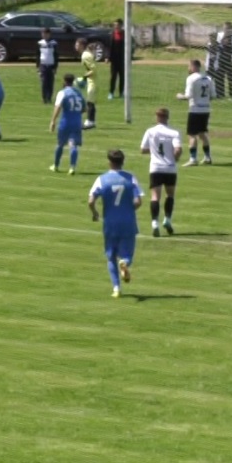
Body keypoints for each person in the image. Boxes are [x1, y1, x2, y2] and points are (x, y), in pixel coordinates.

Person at [87, 149, 143, 298]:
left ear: (109, 162)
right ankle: (124, 262)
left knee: (111, 256)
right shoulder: (131, 178)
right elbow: (138, 201)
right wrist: (128, 210)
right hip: (128, 221)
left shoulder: (101, 179)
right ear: (122, 162)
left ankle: (116, 288)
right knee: (128, 254)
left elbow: (91, 201)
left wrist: (95, 213)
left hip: (110, 223)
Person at [140, 106, 183, 237]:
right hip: (170, 168)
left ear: (157, 117)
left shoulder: (150, 131)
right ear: (167, 117)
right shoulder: (174, 133)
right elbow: (178, 149)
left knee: (155, 197)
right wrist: (175, 157)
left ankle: (154, 223)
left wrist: (154, 151)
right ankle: (167, 219)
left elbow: (143, 149)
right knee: (170, 195)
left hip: (156, 167)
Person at [178, 58, 215, 166]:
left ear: (194, 67)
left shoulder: (191, 78)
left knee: (192, 135)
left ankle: (193, 159)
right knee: (202, 133)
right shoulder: (208, 78)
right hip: (206, 110)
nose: (188, 68)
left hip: (195, 110)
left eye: (189, 66)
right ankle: (207, 157)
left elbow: (188, 96)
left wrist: (180, 96)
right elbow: (213, 95)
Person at [49, 73, 85, 174]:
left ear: (64, 81)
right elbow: (84, 108)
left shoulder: (63, 93)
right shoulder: (78, 93)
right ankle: (72, 167)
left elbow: (58, 107)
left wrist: (53, 121)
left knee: (60, 144)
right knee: (73, 145)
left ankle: (56, 165)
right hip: (77, 122)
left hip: (66, 121)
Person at [76, 38, 98, 129]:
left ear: (81, 45)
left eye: (77, 44)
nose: (76, 46)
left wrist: (84, 77)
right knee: (90, 101)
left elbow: (93, 70)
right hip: (91, 80)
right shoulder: (85, 55)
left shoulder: (85, 56)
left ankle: (90, 121)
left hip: (92, 81)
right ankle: (91, 121)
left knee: (90, 102)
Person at [217, 22, 232, 99]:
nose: (226, 29)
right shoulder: (219, 35)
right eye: (224, 28)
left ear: (230, 29)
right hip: (221, 59)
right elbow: (217, 48)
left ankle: (231, 95)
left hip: (229, 60)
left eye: (227, 28)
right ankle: (221, 94)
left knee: (230, 78)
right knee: (220, 77)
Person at [37, 27, 58, 104]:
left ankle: (49, 97)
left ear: (49, 34)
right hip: (43, 65)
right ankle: (44, 98)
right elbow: (37, 55)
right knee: (44, 82)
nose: (44, 35)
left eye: (46, 34)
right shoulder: (40, 43)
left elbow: (56, 56)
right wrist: (38, 67)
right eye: (43, 34)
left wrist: (55, 67)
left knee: (50, 83)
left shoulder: (54, 43)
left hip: (51, 65)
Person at [108, 19, 126, 100]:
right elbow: (109, 47)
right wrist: (108, 57)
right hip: (114, 60)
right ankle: (111, 93)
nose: (116, 27)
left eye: (118, 25)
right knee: (113, 77)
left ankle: (121, 93)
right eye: (115, 25)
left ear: (121, 25)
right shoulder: (112, 34)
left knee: (122, 77)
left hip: (122, 59)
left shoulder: (125, 34)